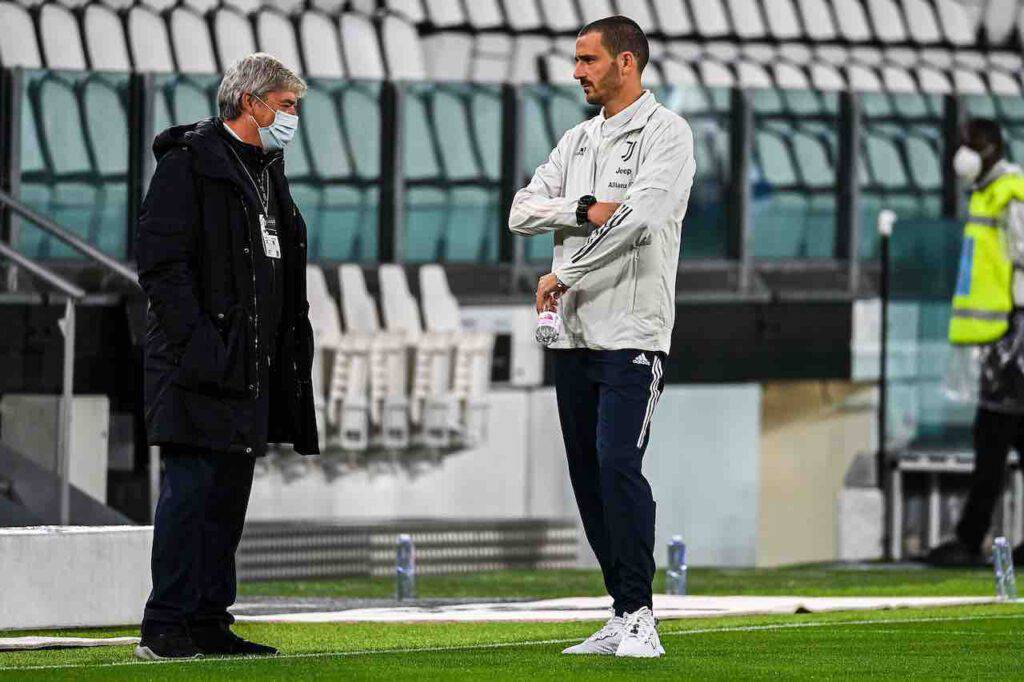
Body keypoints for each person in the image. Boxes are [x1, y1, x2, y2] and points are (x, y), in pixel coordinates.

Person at [508, 16, 694, 658]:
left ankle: (643, 615)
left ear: (627, 62)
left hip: (634, 331)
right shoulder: (578, 139)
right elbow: (521, 209)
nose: (577, 72)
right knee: (588, 475)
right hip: (575, 334)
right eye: (576, 60)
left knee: (618, 463)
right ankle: (620, 612)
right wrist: (582, 208)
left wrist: (565, 269)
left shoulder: (668, 134)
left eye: (588, 59)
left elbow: (640, 220)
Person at [134, 53, 319, 660]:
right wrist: (202, 348)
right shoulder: (188, 167)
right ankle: (165, 624)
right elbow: (162, 267)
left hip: (250, 362)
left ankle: (210, 618)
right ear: (252, 102)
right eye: (287, 106)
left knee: (227, 495)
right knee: (191, 491)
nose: (292, 118)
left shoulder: (266, 170)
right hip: (199, 362)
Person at [927, 118, 1024, 568]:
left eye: (972, 144)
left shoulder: (1010, 191)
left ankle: (969, 537)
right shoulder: (987, 193)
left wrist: (1016, 329)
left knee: (992, 433)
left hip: (1013, 332)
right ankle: (970, 535)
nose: (963, 152)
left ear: (992, 148)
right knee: (1005, 432)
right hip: (1000, 333)